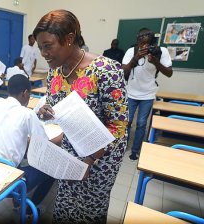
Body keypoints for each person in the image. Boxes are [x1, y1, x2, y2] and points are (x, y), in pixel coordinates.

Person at [33, 9, 128, 223]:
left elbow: (119, 127)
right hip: (71, 153)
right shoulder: (55, 71)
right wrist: (46, 111)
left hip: (101, 160)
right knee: (65, 204)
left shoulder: (106, 70)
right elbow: (57, 105)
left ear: (69, 39)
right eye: (40, 48)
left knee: (89, 211)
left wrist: (90, 159)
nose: (44, 54)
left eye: (48, 46)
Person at [0, 74, 57, 214]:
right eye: (29, 95)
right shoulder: (27, 114)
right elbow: (44, 145)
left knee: (23, 152)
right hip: (7, 180)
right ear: (25, 93)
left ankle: (19, 199)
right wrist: (61, 137)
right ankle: (29, 209)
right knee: (51, 169)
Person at [122, 28, 173, 161]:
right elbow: (123, 70)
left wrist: (155, 61)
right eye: (141, 43)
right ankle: (122, 147)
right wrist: (136, 57)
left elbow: (169, 73)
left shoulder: (161, 52)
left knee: (141, 123)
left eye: (147, 44)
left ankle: (135, 150)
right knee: (126, 122)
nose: (144, 46)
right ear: (137, 42)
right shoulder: (131, 51)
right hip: (131, 92)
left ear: (152, 43)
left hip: (148, 94)